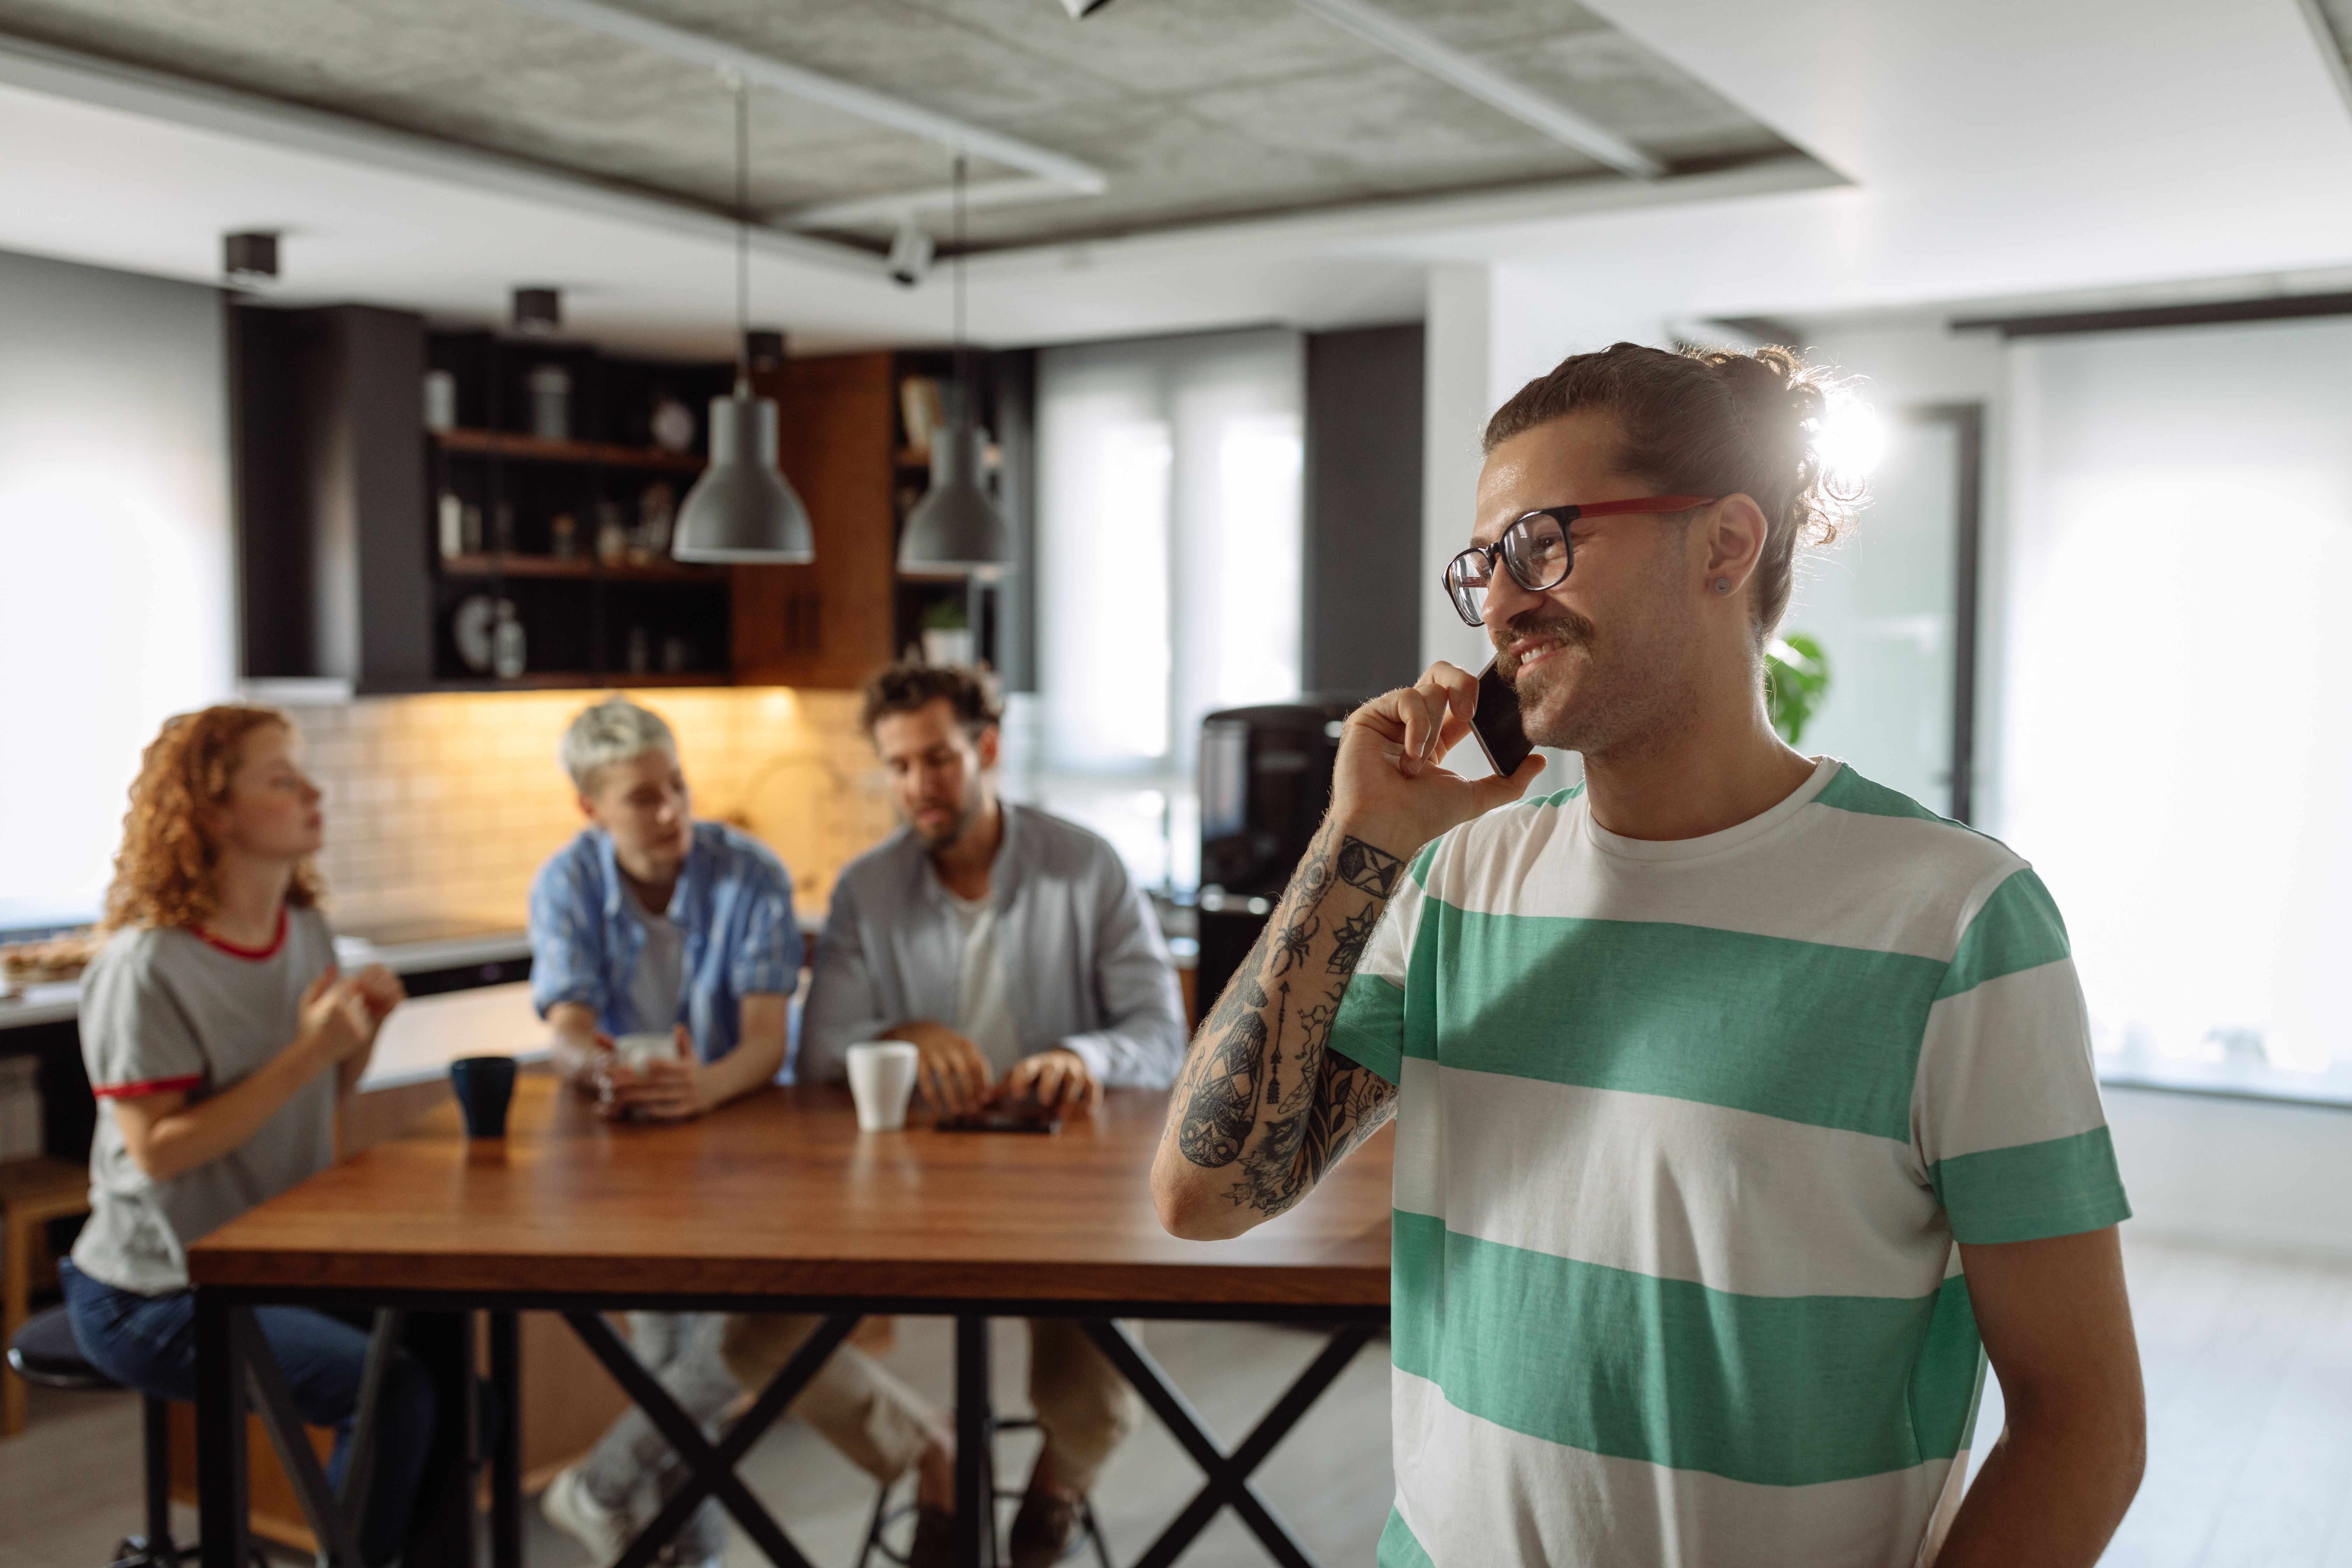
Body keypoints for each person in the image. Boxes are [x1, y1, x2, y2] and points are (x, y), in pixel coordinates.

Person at [1152, 343, 2146, 1567]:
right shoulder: (1460, 879)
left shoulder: (1957, 918)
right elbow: (1204, 1196)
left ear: (1725, 546)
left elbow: (2083, 1422)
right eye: (1485, 566)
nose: (1504, 601)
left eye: (1544, 544)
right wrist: (1354, 842)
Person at [766, 661, 1186, 1567]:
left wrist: (1084, 1056)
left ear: (986, 748)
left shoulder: (1088, 865)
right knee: (761, 1338)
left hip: (1063, 1195)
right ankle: (934, 1456)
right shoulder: (865, 891)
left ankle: (1051, 1499)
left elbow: (1162, 1034)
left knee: (1099, 1401)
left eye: (938, 759)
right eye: (900, 765)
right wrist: (904, 1034)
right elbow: (821, 1050)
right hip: (904, 1197)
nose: (918, 785)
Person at [529, 695, 948, 1568]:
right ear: (590, 808)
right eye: (643, 797)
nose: (671, 808)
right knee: (670, 1377)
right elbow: (566, 1027)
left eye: (677, 785)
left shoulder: (749, 871)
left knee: (722, 1349)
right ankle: (691, 1555)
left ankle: (598, 1485)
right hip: (631, 1160)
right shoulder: (565, 882)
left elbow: (766, 1040)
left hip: (751, 1148)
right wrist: (598, 1067)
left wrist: (698, 1088)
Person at [61, 705, 430, 1568]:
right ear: (212, 812)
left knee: (458, 1383)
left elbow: (311, 1099)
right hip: (154, 1285)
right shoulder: (145, 964)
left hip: (271, 1254)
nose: (313, 791)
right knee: (399, 1392)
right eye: (282, 778)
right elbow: (159, 1150)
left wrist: (354, 1036)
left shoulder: (303, 931)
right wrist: (310, 1051)